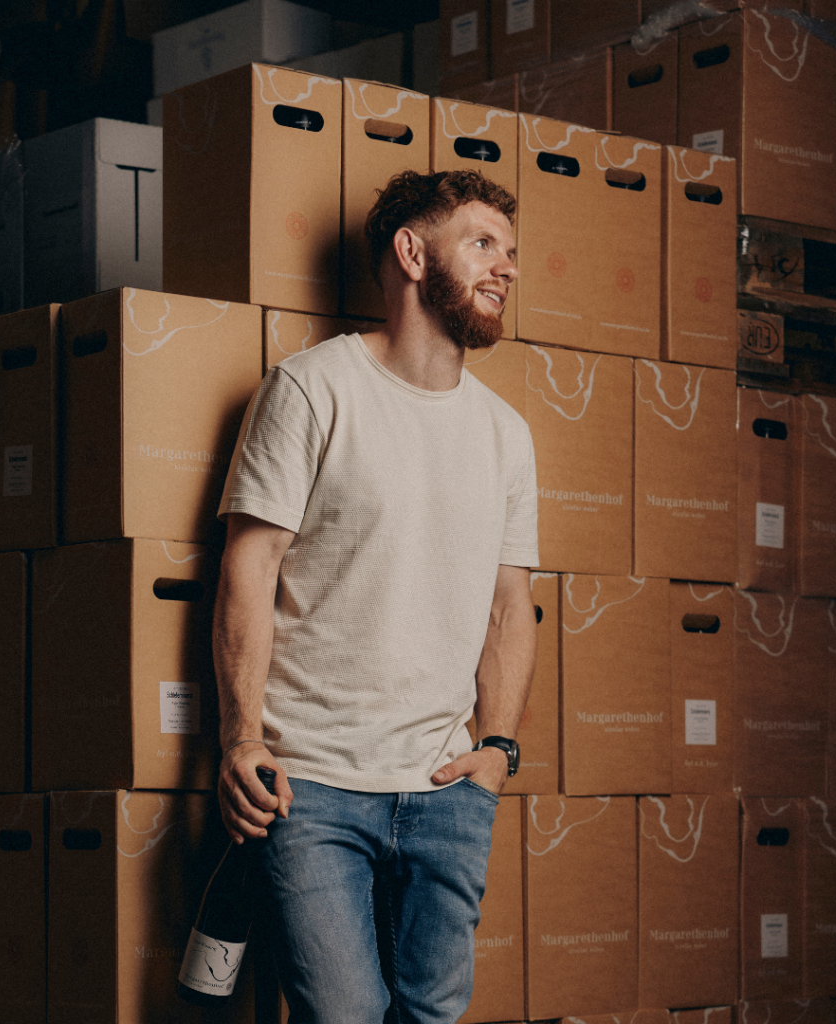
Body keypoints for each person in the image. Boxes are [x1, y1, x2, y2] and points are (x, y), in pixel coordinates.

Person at [213, 168, 539, 1024]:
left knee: (431, 1018)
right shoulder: (313, 389)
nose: (505, 267)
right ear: (410, 252)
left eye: (512, 252)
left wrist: (497, 752)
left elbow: (511, 606)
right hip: (311, 785)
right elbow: (249, 570)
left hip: (447, 786)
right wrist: (242, 737)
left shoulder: (506, 434)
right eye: (481, 244)